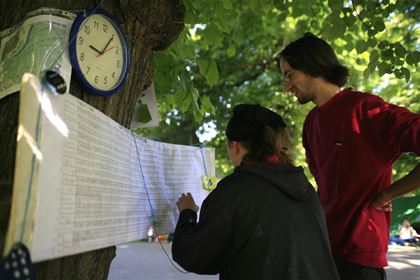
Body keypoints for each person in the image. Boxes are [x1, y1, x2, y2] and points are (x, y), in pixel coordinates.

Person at [277, 32, 420, 280]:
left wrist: (388, 194)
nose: (286, 86)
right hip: (323, 253)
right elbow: (326, 190)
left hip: (359, 263)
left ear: (313, 67)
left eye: (290, 75)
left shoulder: (366, 110)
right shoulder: (311, 123)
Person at [172, 104, 339, 280]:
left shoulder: (233, 191)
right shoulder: (304, 186)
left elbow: (193, 256)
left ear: (235, 145)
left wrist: (187, 213)